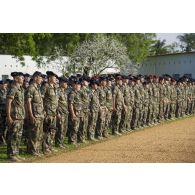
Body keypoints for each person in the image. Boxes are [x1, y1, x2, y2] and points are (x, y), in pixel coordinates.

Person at [6, 72, 25, 162]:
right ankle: (11, 155)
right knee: (13, 136)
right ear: (16, 79)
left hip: (20, 116)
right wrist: (9, 116)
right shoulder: (13, 88)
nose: (23, 79)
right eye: (21, 77)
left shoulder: (20, 89)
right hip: (14, 116)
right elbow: (8, 102)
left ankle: (16, 154)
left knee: (18, 136)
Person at [26, 71, 44, 156]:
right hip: (35, 115)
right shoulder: (31, 88)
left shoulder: (37, 88)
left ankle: (37, 150)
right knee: (34, 134)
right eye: (40, 78)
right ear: (36, 78)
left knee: (38, 134)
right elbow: (28, 102)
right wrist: (31, 115)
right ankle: (32, 151)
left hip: (40, 114)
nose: (41, 79)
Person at [41, 71, 58, 153]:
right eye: (54, 77)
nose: (56, 79)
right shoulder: (45, 86)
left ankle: (50, 146)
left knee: (52, 131)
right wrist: (43, 110)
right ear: (50, 78)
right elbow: (41, 99)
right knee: (47, 131)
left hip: (54, 112)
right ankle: (46, 148)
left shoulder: (54, 87)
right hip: (48, 112)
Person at [55, 77, 69, 148]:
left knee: (64, 128)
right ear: (61, 83)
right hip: (60, 113)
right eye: (65, 82)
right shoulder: (58, 91)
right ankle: (59, 143)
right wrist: (57, 113)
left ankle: (62, 142)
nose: (66, 84)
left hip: (65, 112)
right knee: (60, 128)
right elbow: (56, 102)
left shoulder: (64, 92)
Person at [68, 79, 83, 144]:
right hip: (75, 113)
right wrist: (73, 114)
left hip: (79, 112)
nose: (80, 86)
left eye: (80, 85)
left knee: (77, 127)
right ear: (75, 85)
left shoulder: (78, 93)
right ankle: (72, 141)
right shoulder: (72, 93)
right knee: (74, 128)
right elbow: (70, 104)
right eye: (78, 85)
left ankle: (75, 140)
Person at [0, 80, 7, 145]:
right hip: (1, 112)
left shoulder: (7, 92)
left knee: (5, 126)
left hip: (5, 112)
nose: (4, 86)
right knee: (1, 126)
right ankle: (1, 140)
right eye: (3, 85)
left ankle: (3, 139)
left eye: (5, 85)